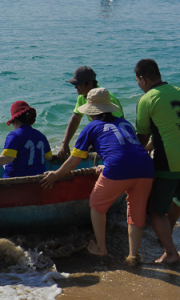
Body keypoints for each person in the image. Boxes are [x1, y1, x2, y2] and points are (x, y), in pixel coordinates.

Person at [40, 88, 154, 266]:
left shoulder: (91, 127)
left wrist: (56, 174)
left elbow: (74, 161)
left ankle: (101, 247)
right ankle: (133, 256)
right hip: (146, 167)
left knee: (97, 204)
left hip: (118, 169)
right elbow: (127, 149)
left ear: (92, 112)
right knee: (135, 213)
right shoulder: (125, 123)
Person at [134, 58, 180, 264]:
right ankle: (166, 236)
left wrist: (133, 155)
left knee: (155, 212)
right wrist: (150, 146)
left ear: (143, 79)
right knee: (178, 200)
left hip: (169, 163)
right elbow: (169, 130)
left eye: (137, 80)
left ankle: (171, 253)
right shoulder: (179, 91)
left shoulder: (147, 99)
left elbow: (142, 136)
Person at [57, 66, 124, 160]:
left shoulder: (107, 99)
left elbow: (119, 126)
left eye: (78, 84)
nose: (75, 87)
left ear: (89, 84)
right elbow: (75, 119)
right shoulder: (83, 96)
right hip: (99, 134)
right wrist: (65, 143)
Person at [0, 101, 51, 178]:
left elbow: (8, 158)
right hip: (39, 181)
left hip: (15, 181)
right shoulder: (41, 136)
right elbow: (48, 157)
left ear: (14, 120)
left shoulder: (15, 135)